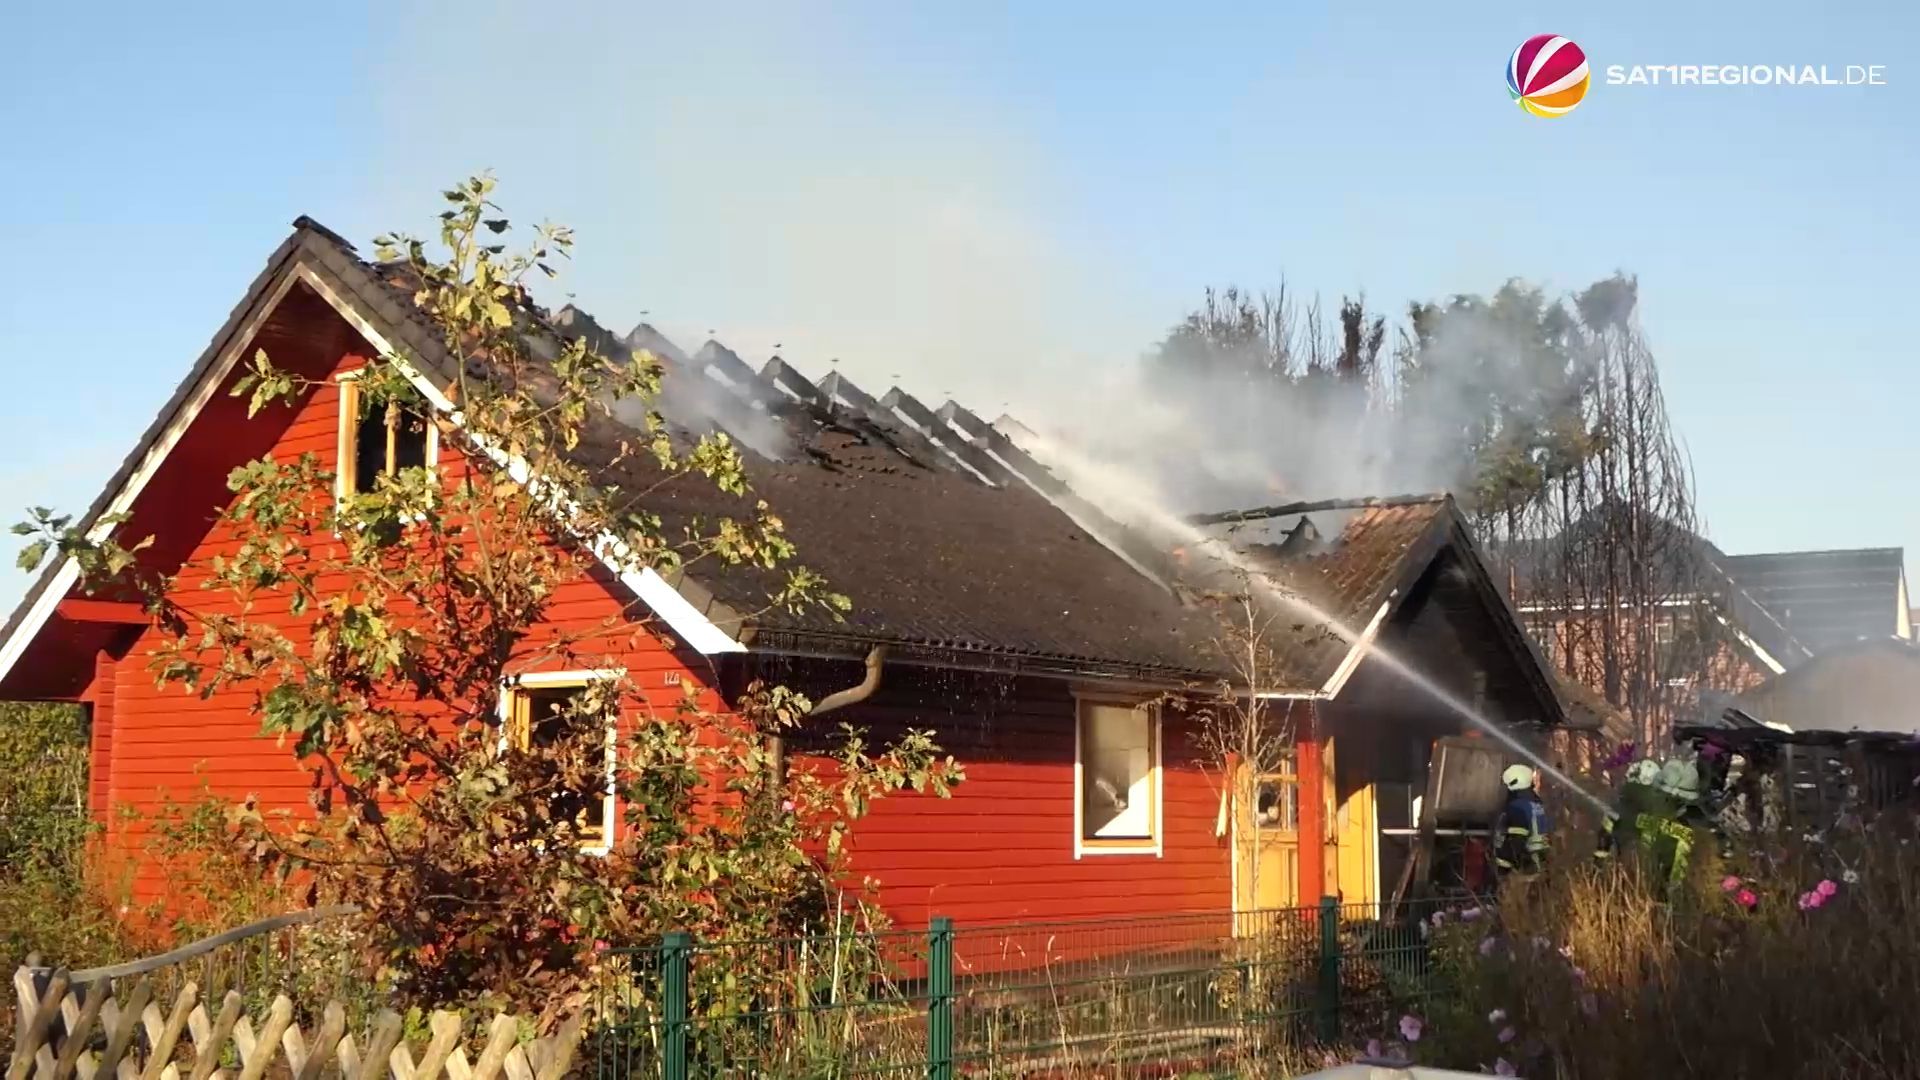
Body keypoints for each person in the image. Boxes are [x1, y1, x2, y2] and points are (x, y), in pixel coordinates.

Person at [1494, 763, 1551, 881]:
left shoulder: (1517, 808)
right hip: (1536, 864)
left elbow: (1516, 842)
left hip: (1523, 869)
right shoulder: (1535, 805)